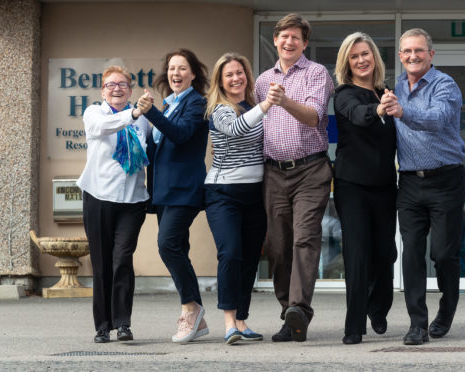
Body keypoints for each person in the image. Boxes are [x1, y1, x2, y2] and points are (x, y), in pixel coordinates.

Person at [382, 28, 465, 345]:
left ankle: (446, 310)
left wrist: (402, 111)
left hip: (446, 179)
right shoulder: (396, 87)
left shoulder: (445, 85)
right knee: (413, 254)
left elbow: (436, 118)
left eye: (419, 50)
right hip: (409, 183)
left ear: (431, 54)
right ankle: (417, 324)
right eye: (407, 51)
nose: (413, 56)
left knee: (443, 254)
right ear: (401, 56)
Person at [255, 13, 334, 342]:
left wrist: (284, 99)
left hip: (311, 169)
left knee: (304, 237)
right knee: (277, 246)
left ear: (304, 43)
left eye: (296, 38)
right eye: (284, 36)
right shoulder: (261, 81)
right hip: (273, 172)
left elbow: (314, 116)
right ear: (275, 39)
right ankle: (290, 315)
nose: (289, 42)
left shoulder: (316, 73)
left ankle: (299, 308)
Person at [136, 48, 210, 343]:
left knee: (167, 245)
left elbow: (180, 135)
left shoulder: (196, 103)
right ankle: (199, 321)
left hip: (185, 189)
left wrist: (150, 111)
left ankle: (190, 309)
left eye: (182, 68)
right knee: (178, 248)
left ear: (193, 74)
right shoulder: (167, 104)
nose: (175, 73)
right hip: (164, 192)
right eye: (171, 68)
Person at [77, 66, 151, 343]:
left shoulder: (143, 121)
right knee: (102, 263)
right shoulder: (94, 113)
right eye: (110, 85)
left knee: (122, 259)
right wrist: (133, 113)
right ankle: (102, 326)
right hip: (98, 196)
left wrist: (142, 114)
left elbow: (150, 152)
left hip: (132, 200)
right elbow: (101, 128)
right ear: (102, 91)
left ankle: (122, 323)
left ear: (130, 90)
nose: (116, 88)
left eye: (122, 84)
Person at [333, 32, 398, 345]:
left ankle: (378, 307)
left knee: (385, 254)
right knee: (357, 255)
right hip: (353, 186)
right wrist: (379, 111)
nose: (361, 60)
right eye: (354, 56)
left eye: (365, 54)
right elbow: (358, 117)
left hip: (386, 186)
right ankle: (354, 326)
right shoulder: (344, 94)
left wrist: (386, 105)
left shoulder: (386, 92)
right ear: (347, 62)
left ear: (375, 58)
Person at [204, 52, 271, 345]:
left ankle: (242, 320)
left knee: (248, 260)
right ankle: (229, 322)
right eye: (229, 74)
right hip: (223, 194)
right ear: (220, 80)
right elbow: (236, 128)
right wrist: (268, 105)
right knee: (230, 253)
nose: (235, 78)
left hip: (255, 193)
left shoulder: (253, 105)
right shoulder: (220, 109)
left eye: (240, 72)